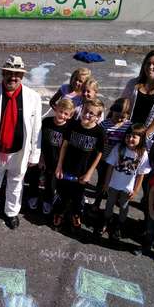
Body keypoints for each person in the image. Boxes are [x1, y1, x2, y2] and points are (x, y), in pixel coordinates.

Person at [0, 55, 42, 230]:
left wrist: (35, 154)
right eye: (10, 73)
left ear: (22, 76)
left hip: (19, 151)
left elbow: (37, 128)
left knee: (16, 184)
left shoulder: (33, 97)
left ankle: (11, 212)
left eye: (17, 74)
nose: (13, 77)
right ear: (3, 73)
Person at [54, 99, 105, 232]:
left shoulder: (100, 133)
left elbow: (99, 154)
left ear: (98, 117)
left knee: (78, 196)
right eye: (85, 111)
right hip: (66, 168)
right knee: (63, 194)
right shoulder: (72, 125)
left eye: (92, 114)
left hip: (82, 171)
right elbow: (64, 146)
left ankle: (76, 215)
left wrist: (89, 173)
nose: (87, 115)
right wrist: (59, 166)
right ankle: (60, 213)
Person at [98, 123, 150, 241]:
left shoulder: (142, 154)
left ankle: (120, 224)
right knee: (109, 203)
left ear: (141, 139)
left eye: (134, 137)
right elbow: (110, 167)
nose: (130, 139)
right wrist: (106, 183)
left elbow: (141, 174)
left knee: (124, 206)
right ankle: (106, 220)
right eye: (128, 136)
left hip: (128, 188)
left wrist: (136, 190)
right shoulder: (119, 148)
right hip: (113, 185)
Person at [26, 98, 74, 215]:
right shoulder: (46, 122)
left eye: (65, 113)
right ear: (56, 109)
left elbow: (67, 149)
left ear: (70, 115)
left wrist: (60, 165)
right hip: (41, 156)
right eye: (60, 111)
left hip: (56, 161)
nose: (62, 115)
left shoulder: (69, 128)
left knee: (51, 182)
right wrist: (40, 157)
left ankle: (48, 200)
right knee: (34, 177)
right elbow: (38, 140)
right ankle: (33, 196)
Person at [121, 50, 154, 137]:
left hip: (148, 135)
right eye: (148, 63)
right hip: (128, 131)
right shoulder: (133, 83)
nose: (150, 67)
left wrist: (144, 135)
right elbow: (123, 105)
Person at [93, 98, 132, 211]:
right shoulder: (104, 124)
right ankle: (97, 202)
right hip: (104, 159)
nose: (119, 119)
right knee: (101, 181)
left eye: (123, 117)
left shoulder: (129, 126)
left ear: (128, 115)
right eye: (117, 116)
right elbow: (97, 141)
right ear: (112, 111)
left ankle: (113, 203)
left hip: (120, 161)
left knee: (116, 183)